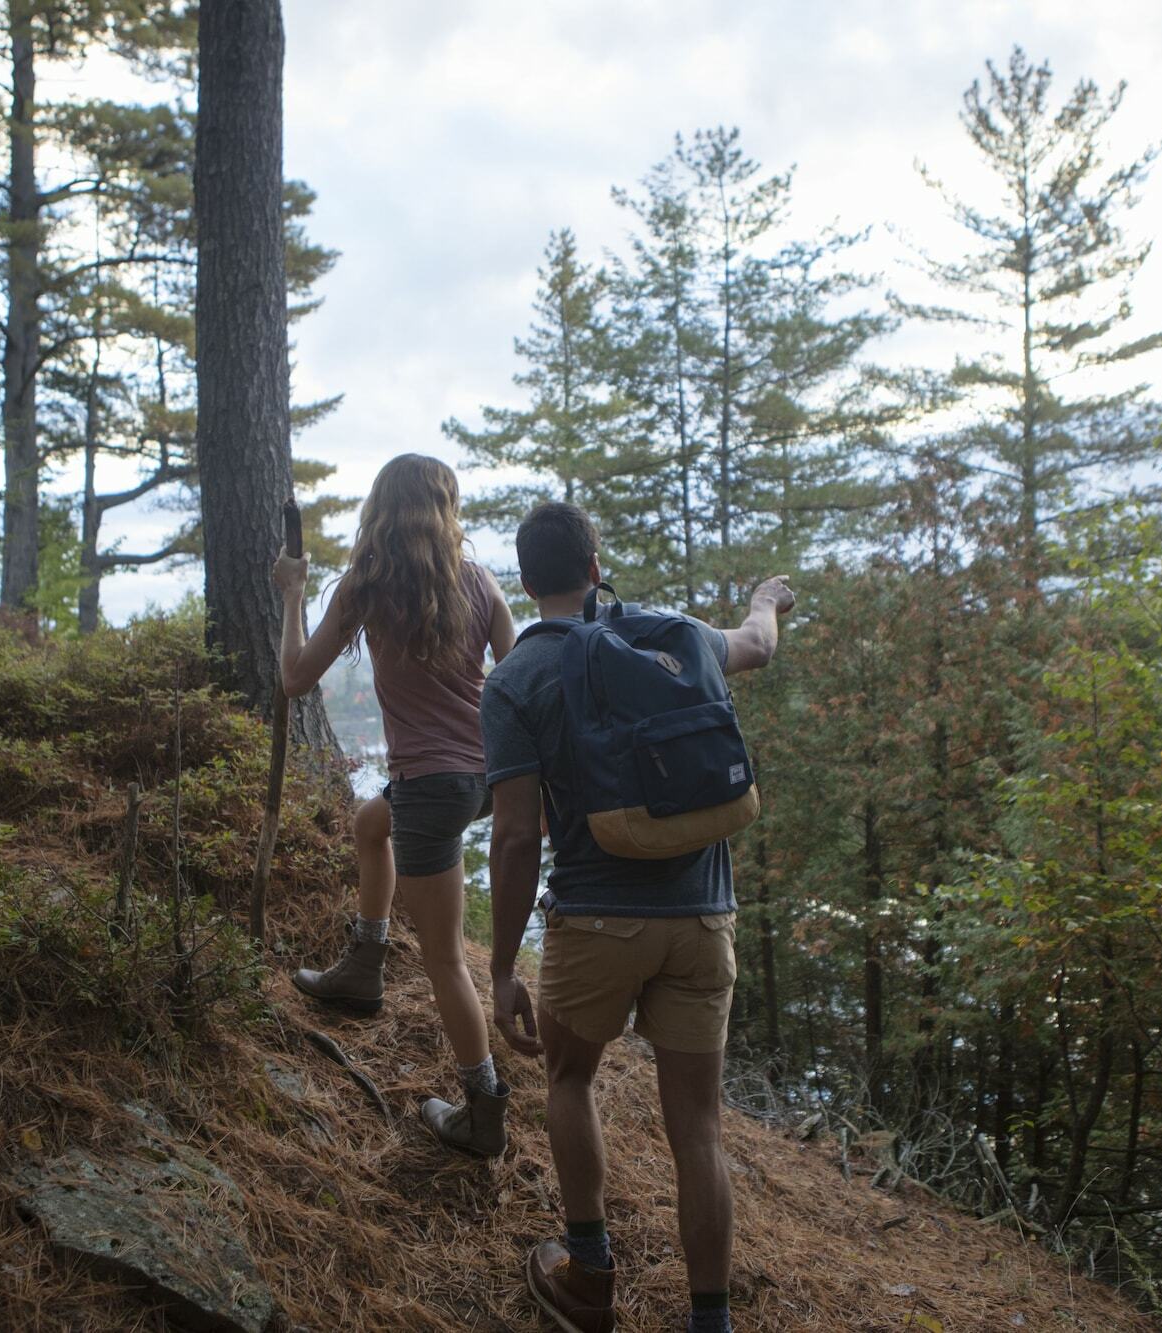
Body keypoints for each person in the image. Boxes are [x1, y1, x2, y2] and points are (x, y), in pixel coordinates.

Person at [481, 501, 794, 1333]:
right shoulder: (674, 637)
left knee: (571, 1075)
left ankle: (588, 1276)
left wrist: (502, 965)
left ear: (525, 579)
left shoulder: (513, 679)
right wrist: (767, 596)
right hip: (703, 918)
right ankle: (710, 1321)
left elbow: (514, 838)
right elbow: (757, 643)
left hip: (594, 922)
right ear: (594, 566)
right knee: (698, 1125)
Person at [274, 453, 519, 1156]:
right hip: (481, 779)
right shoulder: (479, 581)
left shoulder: (367, 585)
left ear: (380, 511)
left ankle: (483, 1110)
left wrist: (292, 594)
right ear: (447, 511)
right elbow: (518, 676)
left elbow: (294, 676)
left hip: (431, 788)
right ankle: (364, 962)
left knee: (445, 958)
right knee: (367, 822)